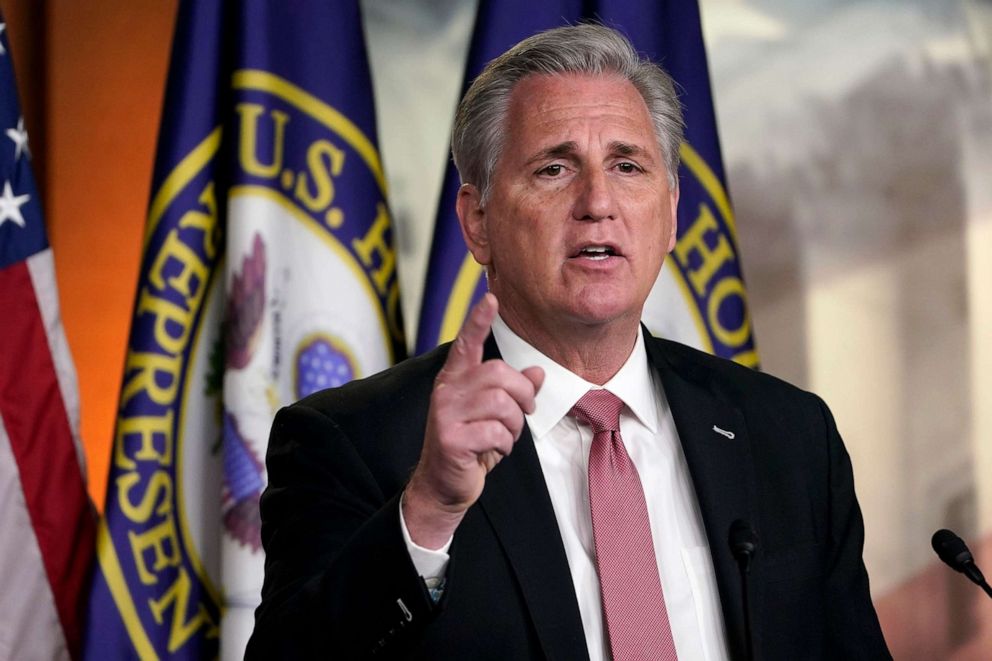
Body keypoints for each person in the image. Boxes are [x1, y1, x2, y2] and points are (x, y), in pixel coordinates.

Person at [246, 24, 891, 660]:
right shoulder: (353, 443)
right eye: (554, 168)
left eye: (628, 166)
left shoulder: (789, 436)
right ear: (477, 222)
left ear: (669, 213)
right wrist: (428, 514)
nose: (597, 202)